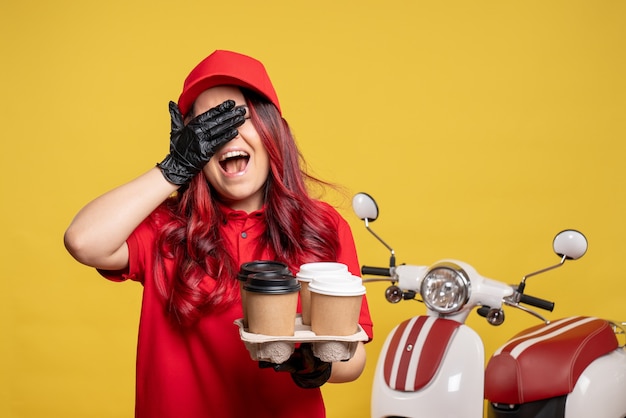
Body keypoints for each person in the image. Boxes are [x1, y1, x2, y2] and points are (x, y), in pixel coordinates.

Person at [64, 49, 374, 418]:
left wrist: (317, 365)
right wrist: (173, 169)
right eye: (207, 129)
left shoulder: (321, 225)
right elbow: (83, 241)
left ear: (271, 130)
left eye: (236, 118)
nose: (224, 139)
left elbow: (354, 357)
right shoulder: (166, 227)